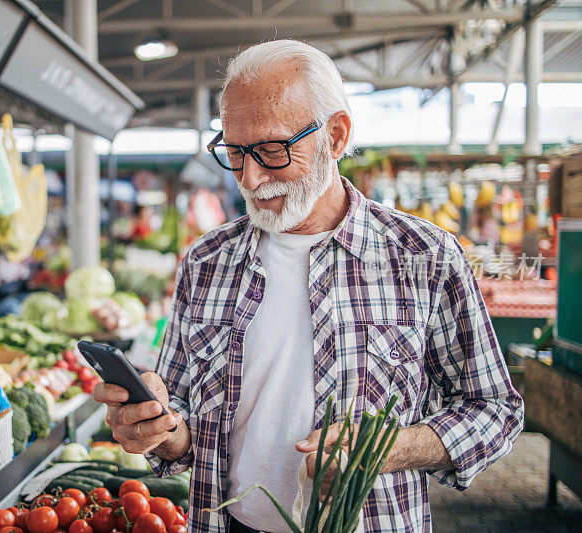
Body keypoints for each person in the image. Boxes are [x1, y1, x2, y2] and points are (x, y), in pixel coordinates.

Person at [93, 40, 523, 533]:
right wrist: (157, 430)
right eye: (234, 153)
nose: (251, 178)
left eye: (273, 151)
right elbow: (183, 421)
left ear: (335, 136)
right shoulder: (204, 263)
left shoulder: (425, 257)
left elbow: (495, 411)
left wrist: (389, 450)